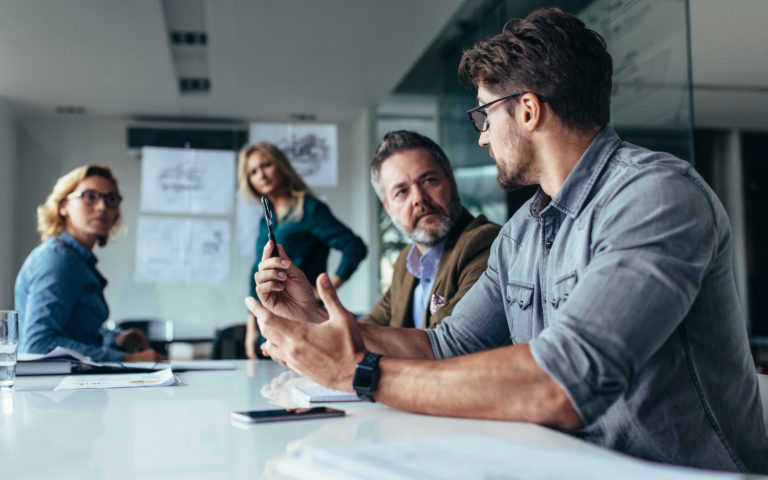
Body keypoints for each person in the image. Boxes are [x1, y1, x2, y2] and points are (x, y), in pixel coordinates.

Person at [246, 7, 768, 473]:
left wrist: (361, 374)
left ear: (527, 110)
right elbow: (443, 346)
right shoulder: (521, 233)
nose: (481, 134)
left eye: (484, 114)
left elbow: (563, 381)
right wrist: (315, 316)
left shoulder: (655, 196)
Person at [15, 164, 165, 362]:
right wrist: (127, 358)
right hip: (54, 390)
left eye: (111, 199)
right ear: (63, 206)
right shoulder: (58, 259)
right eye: (89, 196)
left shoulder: (77, 260)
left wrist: (115, 339)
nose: (102, 207)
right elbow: (38, 345)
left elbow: (73, 334)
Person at [359, 130, 499, 330]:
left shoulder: (485, 244)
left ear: (452, 181)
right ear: (388, 208)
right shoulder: (405, 262)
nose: (418, 198)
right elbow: (370, 329)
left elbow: (447, 343)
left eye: (429, 181)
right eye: (401, 191)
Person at [238, 142, 367, 358]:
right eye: (252, 172)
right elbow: (257, 272)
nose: (261, 175)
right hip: (268, 324)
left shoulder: (310, 209)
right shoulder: (266, 219)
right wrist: (252, 326)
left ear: (281, 165)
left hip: (302, 320)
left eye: (266, 165)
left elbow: (354, 247)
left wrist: (325, 291)